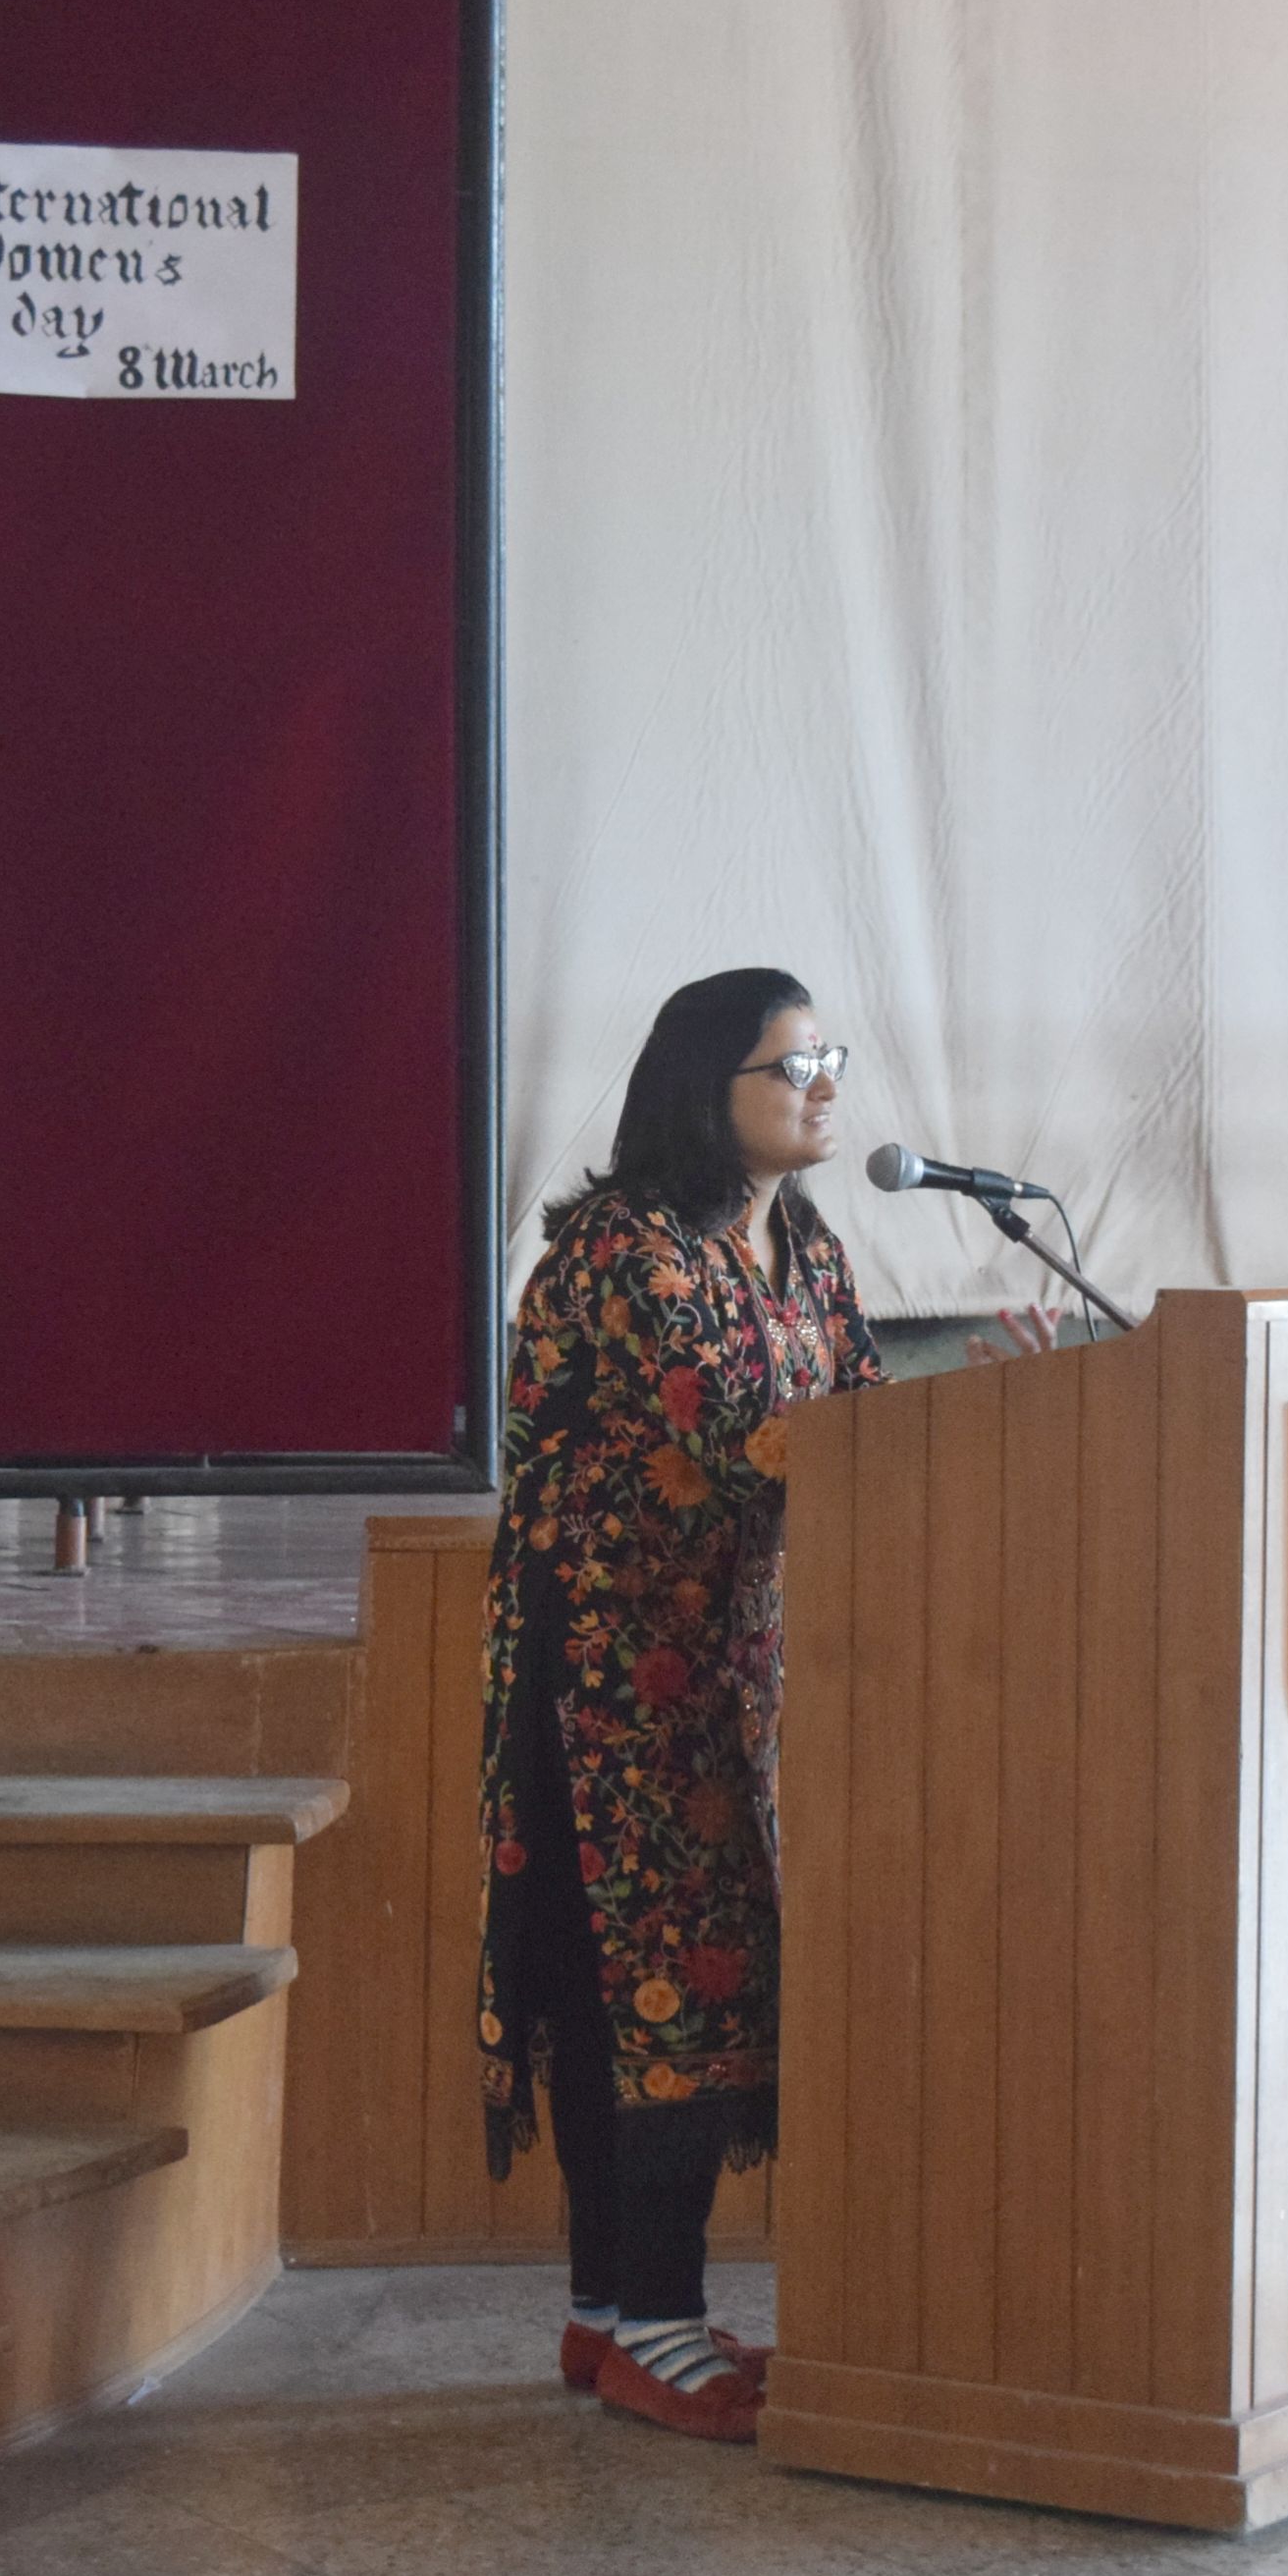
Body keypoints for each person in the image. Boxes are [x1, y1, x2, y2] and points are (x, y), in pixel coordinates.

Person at [476, 968, 883, 2440]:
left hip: (740, 1683)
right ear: (703, 1088)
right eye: (790, 1064)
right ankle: (645, 2318)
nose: (822, 1085)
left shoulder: (802, 1243)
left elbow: (866, 1413)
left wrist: (1001, 1419)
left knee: (695, 2000)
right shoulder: (620, 1255)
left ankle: (621, 2320)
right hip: (612, 1702)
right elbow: (748, 1448)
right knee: (644, 2001)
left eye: (827, 1057)